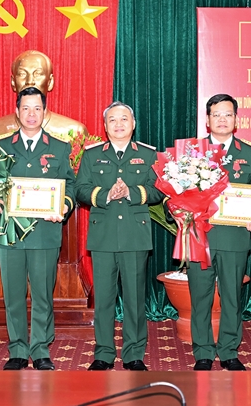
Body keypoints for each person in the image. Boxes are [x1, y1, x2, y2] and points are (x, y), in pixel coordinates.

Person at [0, 87, 76, 371]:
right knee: (13, 295)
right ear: (17, 111)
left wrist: (64, 205)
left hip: (45, 233)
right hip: (10, 233)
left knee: (43, 294)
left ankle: (41, 349)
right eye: (26, 108)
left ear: (45, 112)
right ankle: (18, 350)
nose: (31, 114)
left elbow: (70, 185)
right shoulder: (0, 147)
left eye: (37, 108)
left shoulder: (59, 147)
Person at [75, 102, 163, 371]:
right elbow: (80, 189)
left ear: (133, 124)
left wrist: (130, 193)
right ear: (105, 126)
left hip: (135, 235)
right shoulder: (92, 155)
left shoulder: (148, 154)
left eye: (124, 119)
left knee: (135, 298)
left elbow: (159, 190)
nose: (119, 124)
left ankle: (134, 354)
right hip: (103, 235)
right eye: (112, 120)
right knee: (103, 299)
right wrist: (106, 195)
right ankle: (103, 353)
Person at [188, 94, 251, 371]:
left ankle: (229, 350)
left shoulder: (250, 154)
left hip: (235, 237)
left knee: (232, 296)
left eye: (228, 114)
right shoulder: (192, 152)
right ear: (207, 120)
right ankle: (203, 352)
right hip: (200, 236)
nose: (222, 119)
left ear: (236, 119)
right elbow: (179, 192)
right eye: (216, 115)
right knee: (200, 297)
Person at [0, 50, 87, 138]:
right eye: (22, 74)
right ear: (13, 82)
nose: (30, 81)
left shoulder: (75, 132)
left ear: (50, 82)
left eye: (38, 74)